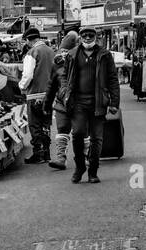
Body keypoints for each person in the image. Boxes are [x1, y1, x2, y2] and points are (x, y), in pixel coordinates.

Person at [62, 27, 120, 183]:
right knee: (78, 133)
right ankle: (79, 166)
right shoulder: (72, 54)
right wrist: (64, 93)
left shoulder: (105, 55)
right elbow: (64, 77)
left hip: (98, 102)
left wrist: (114, 102)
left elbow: (113, 79)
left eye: (91, 35)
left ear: (96, 37)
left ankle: (93, 171)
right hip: (78, 102)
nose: (87, 38)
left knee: (97, 138)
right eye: (84, 36)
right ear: (80, 37)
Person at [43, 31, 79, 170]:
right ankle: (61, 159)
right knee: (65, 130)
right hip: (63, 103)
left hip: (75, 102)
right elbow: (52, 86)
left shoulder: (81, 60)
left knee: (79, 131)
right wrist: (46, 104)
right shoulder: (58, 64)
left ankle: (84, 157)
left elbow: (51, 86)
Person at [19, 28, 55, 164]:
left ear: (29, 39)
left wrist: (21, 86)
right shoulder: (51, 51)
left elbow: (28, 75)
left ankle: (38, 153)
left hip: (34, 94)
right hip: (49, 94)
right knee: (46, 124)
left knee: (35, 124)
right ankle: (46, 153)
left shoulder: (32, 52)